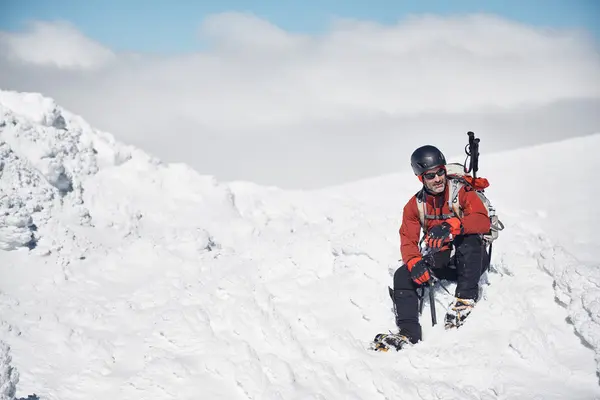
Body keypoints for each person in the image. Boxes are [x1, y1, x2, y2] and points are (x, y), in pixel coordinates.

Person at [392, 144, 491, 347]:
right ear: (421, 178)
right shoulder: (414, 205)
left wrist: (453, 225)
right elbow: (408, 239)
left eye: (440, 172)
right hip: (444, 259)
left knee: (469, 239)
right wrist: (414, 262)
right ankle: (408, 332)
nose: (437, 179)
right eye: (430, 175)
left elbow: (482, 220)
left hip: (473, 261)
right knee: (402, 274)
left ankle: (465, 299)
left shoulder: (462, 192)